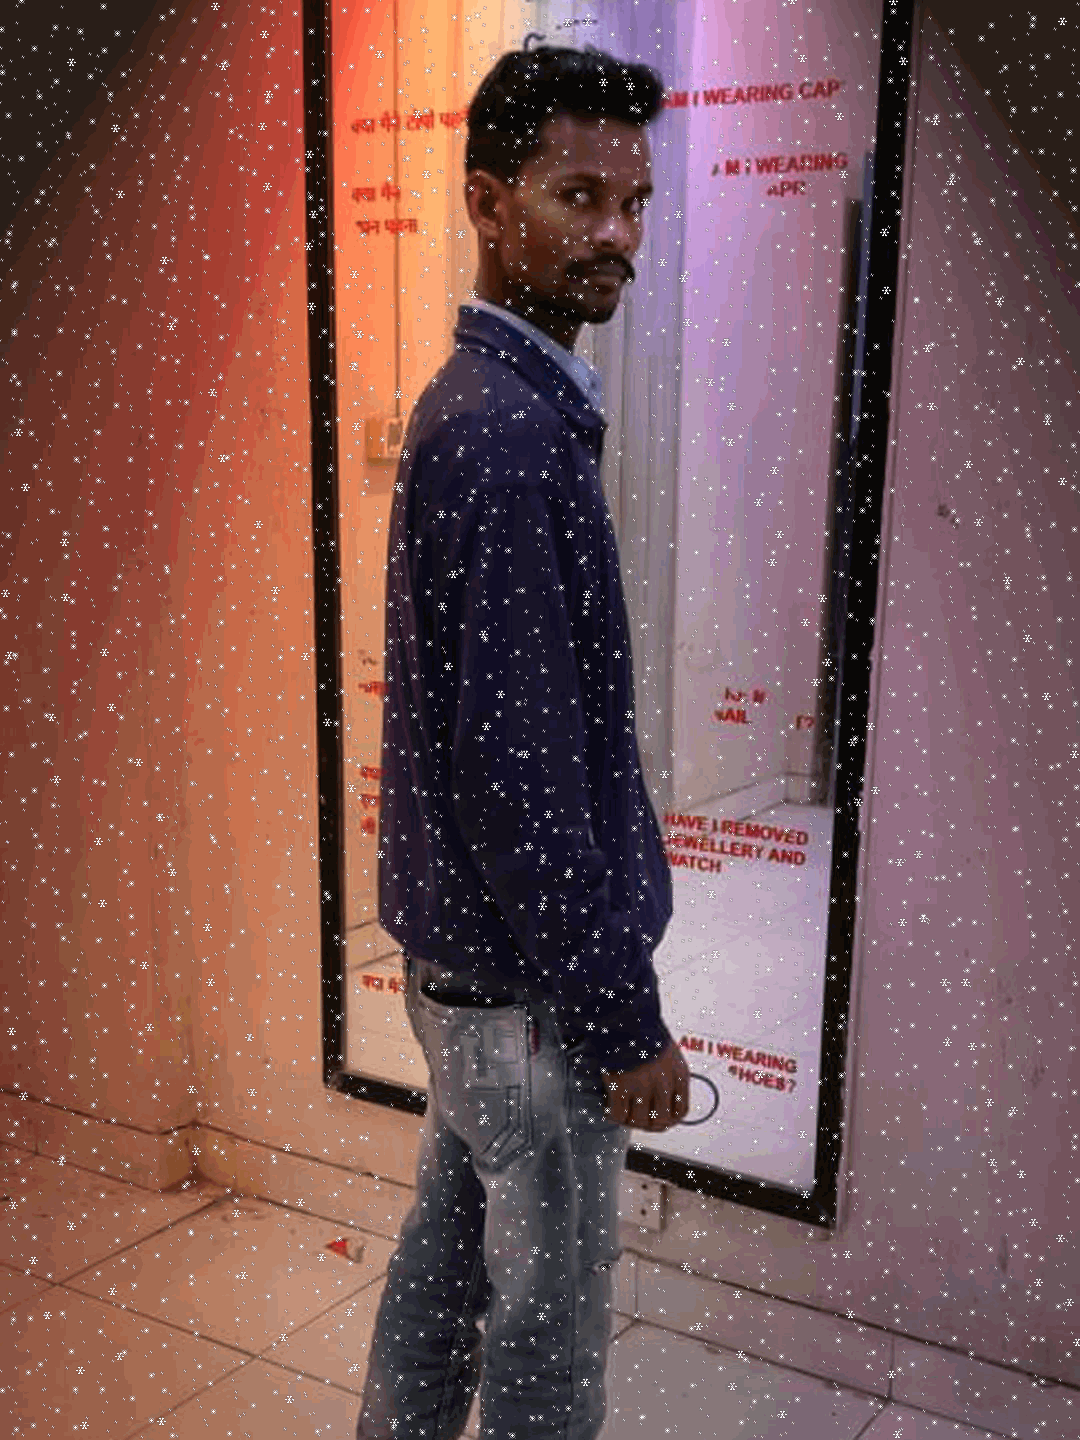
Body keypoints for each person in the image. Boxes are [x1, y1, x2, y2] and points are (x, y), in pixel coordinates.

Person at [358, 44, 691, 1440]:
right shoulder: (506, 437)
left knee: (444, 1276)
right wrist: (622, 1020)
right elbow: (523, 782)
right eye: (578, 195)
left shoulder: (493, 405)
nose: (617, 234)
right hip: (529, 1001)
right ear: (490, 203)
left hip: (474, 979)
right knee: (548, 1339)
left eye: (635, 202)